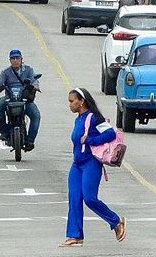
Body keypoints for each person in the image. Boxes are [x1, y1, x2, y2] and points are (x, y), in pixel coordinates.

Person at [62, 87, 126, 247]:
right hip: (77, 165)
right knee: (74, 198)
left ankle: (116, 221)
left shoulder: (93, 117)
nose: (69, 104)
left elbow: (110, 133)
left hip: (90, 163)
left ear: (81, 101)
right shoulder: (79, 119)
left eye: (72, 101)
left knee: (90, 198)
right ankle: (75, 235)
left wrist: (91, 140)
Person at [0, 49, 41, 151]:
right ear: (10, 60)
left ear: (21, 59)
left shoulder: (28, 70)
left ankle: (30, 141)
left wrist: (35, 86)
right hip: (9, 98)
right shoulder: (6, 72)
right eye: (13, 58)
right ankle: (4, 132)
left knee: (36, 116)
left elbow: (34, 80)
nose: (15, 60)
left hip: (24, 99)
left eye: (17, 58)